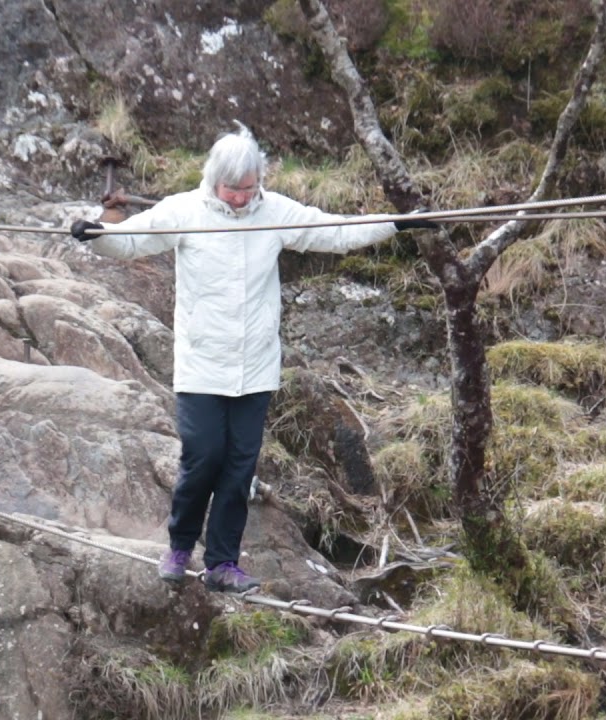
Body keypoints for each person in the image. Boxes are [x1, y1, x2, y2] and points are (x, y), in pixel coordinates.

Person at [71, 124, 437, 593]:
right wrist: (96, 233)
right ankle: (181, 548)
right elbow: (131, 239)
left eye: (249, 189)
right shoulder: (184, 210)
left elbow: (335, 231)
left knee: (240, 469)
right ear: (213, 180)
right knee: (202, 458)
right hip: (202, 366)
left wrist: (397, 222)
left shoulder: (276, 212)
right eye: (232, 189)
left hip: (256, 368)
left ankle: (223, 564)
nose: (242, 199)